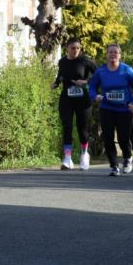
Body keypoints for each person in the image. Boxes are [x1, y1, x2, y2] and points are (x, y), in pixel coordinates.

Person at [88, 44, 133, 176]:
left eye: (115, 52)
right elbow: (92, 86)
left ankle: (127, 158)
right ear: (107, 54)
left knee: (123, 138)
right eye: (110, 52)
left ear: (120, 55)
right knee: (108, 137)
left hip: (124, 109)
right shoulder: (101, 71)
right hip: (107, 108)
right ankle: (114, 166)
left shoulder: (127, 70)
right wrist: (95, 96)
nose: (113, 54)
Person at [52, 38, 96, 170]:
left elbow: (98, 75)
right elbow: (61, 75)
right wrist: (56, 83)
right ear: (67, 48)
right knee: (67, 126)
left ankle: (84, 155)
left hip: (83, 99)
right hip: (67, 98)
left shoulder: (86, 61)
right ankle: (67, 158)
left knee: (82, 129)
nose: (75, 50)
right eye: (72, 48)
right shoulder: (62, 61)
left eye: (78, 48)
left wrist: (86, 81)